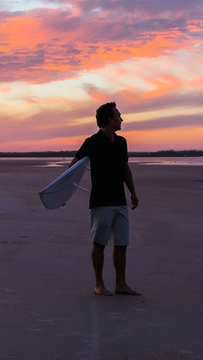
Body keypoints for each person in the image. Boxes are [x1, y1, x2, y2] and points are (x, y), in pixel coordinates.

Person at [68, 102, 140, 296]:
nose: (121, 120)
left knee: (121, 243)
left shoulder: (122, 142)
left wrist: (133, 192)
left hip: (120, 200)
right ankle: (99, 284)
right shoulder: (92, 142)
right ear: (110, 119)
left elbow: (125, 169)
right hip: (101, 202)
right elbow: (73, 166)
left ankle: (121, 284)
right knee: (99, 242)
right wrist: (64, 192)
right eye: (119, 116)